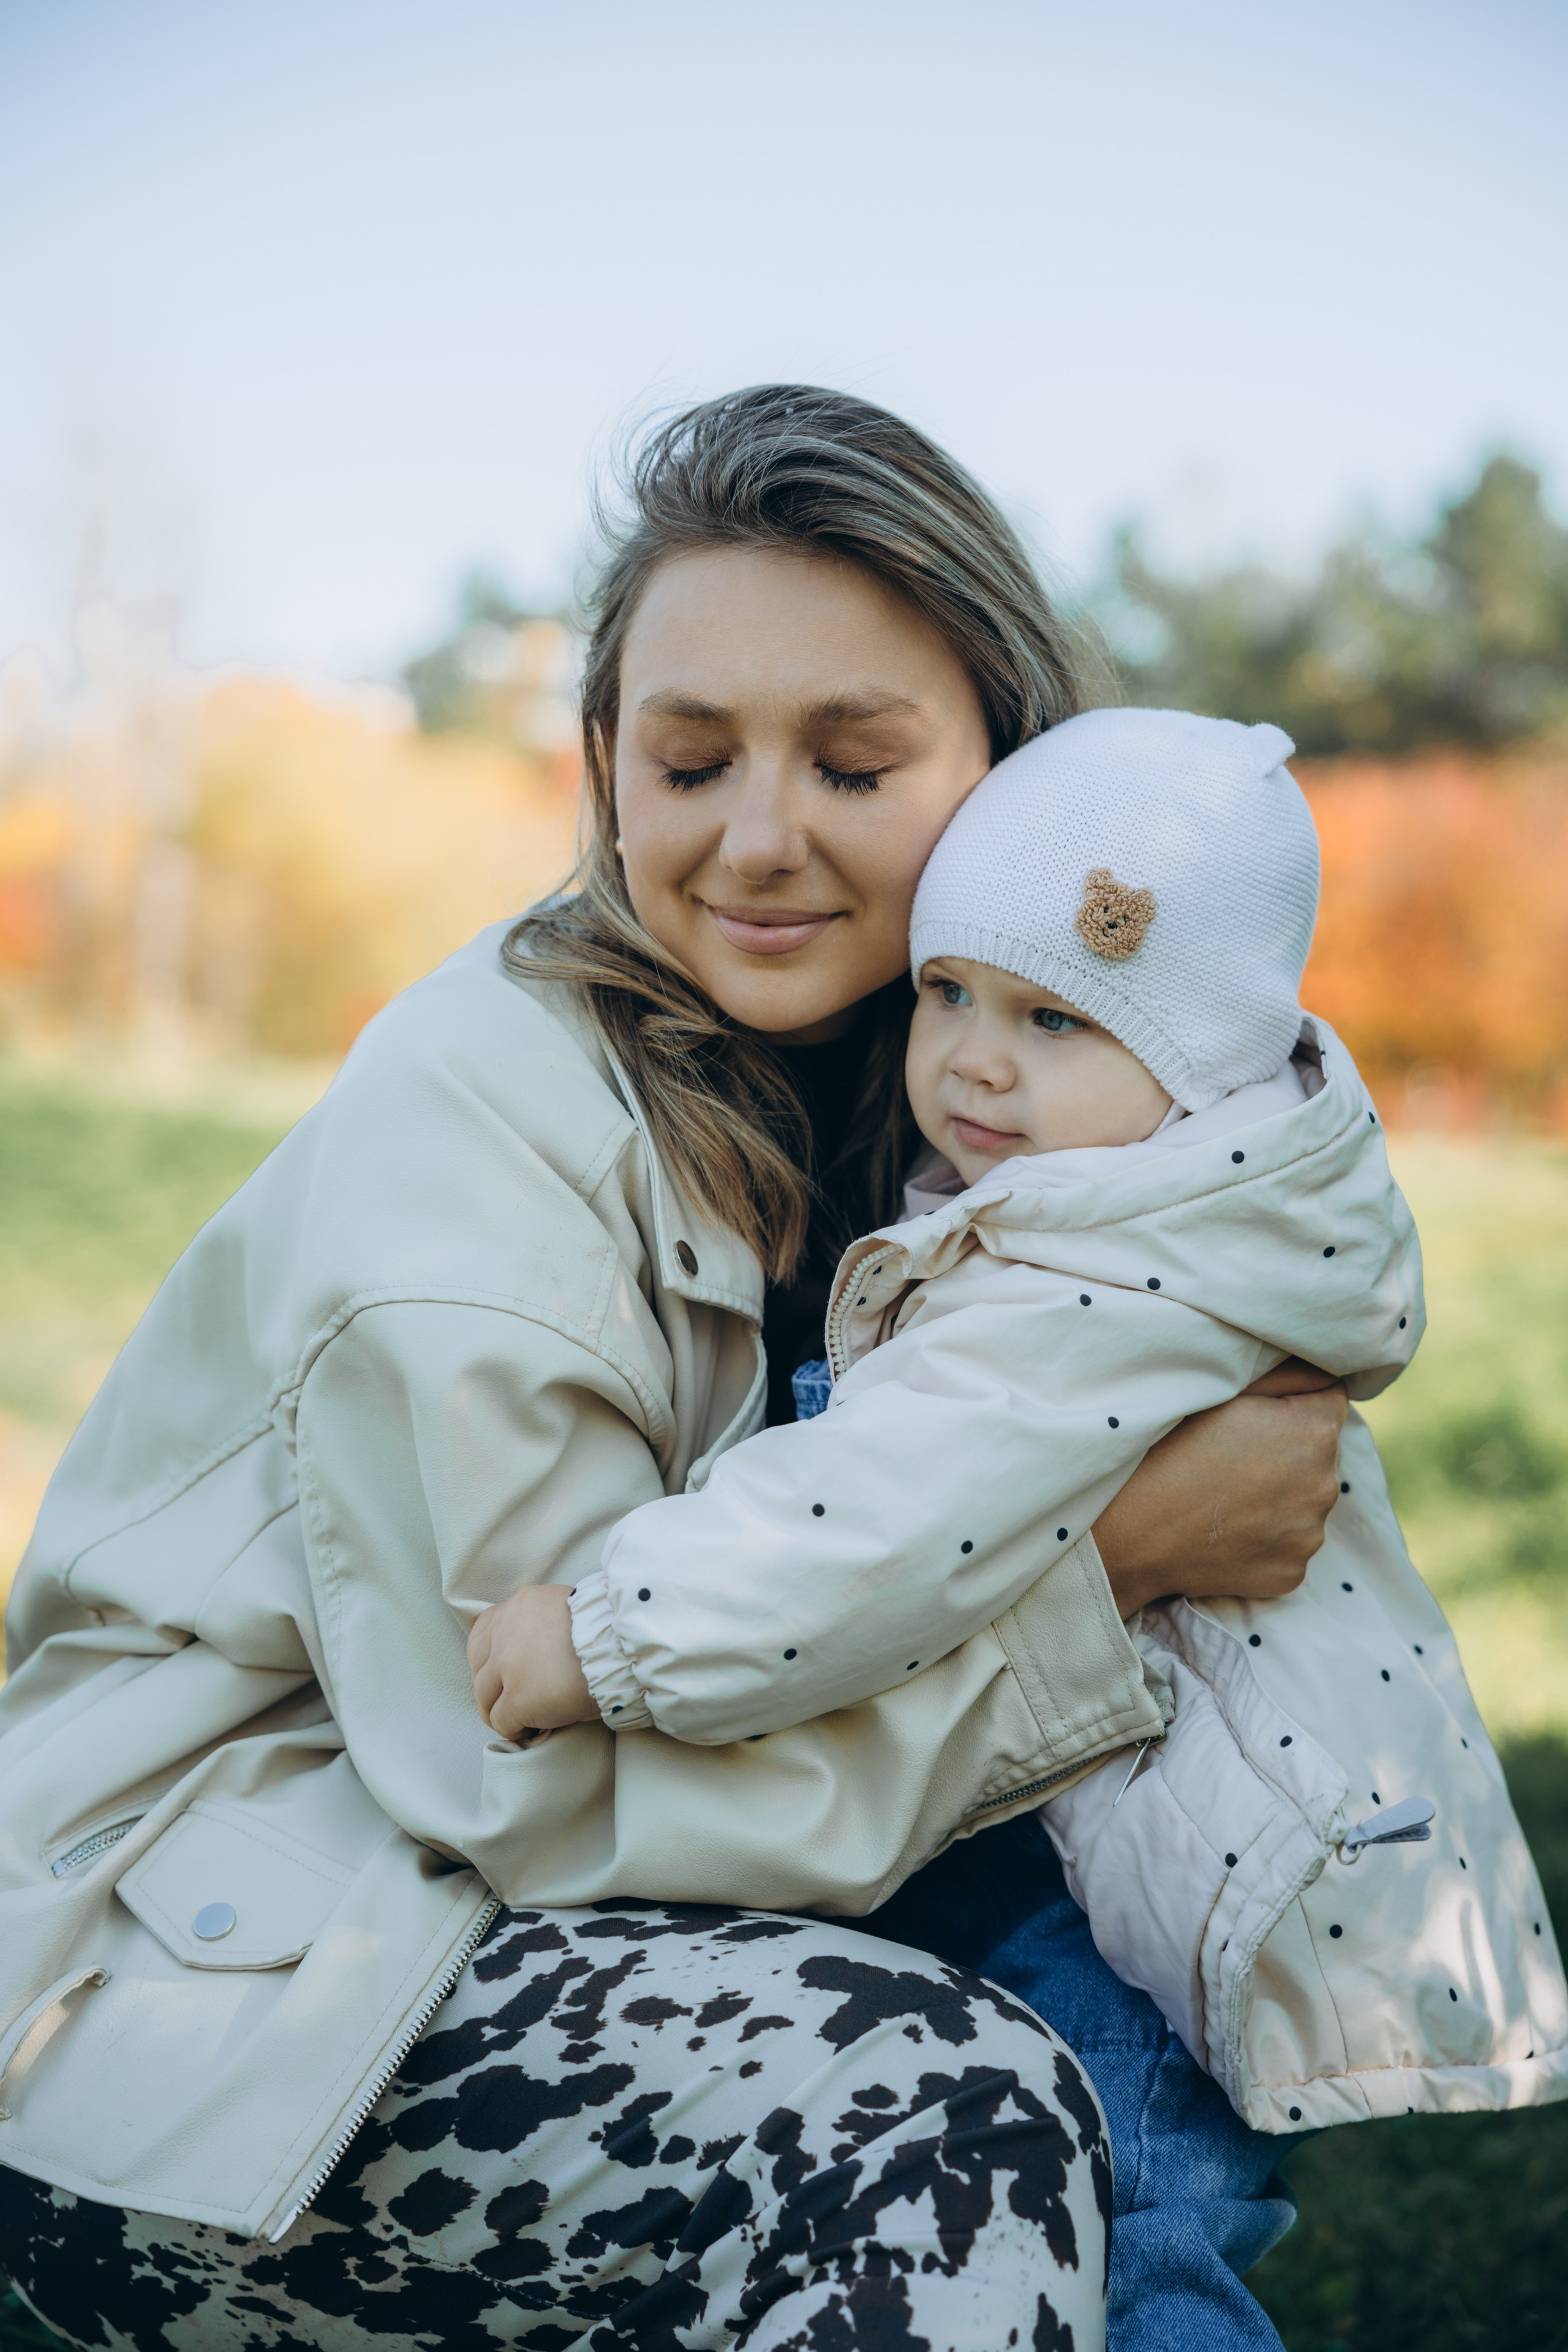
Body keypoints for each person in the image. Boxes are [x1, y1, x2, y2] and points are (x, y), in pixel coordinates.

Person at [0, 388, 1349, 2352]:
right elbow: (538, 1798)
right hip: (202, 2011)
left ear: (1007, 774)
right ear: (606, 768)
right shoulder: (476, 1167)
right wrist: (1113, 1570)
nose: (759, 836)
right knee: (940, 2113)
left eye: (854, 762)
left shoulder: (990, 1092)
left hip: (540, 1908)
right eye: (692, 758)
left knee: (1120, 1970)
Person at [473, 704, 1564, 2164]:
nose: (974, 1065)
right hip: (1138, 1826)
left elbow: (877, 1523)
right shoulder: (1177, 1196)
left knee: (1125, 2227)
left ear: (1200, 1061)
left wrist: (610, 1639)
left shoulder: (1090, 1281)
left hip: (1137, 1879)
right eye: (948, 993)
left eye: (1053, 1018)